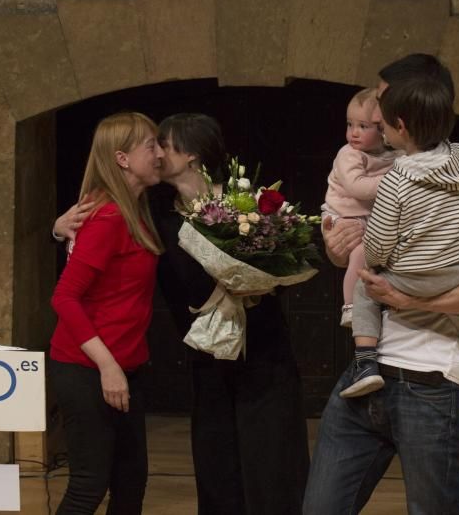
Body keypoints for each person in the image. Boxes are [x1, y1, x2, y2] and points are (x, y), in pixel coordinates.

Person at [55, 113, 310, 515]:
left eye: (164, 146)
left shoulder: (243, 204)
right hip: (206, 362)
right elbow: (93, 238)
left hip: (262, 355)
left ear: (190, 156)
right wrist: (60, 228)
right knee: (216, 468)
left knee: (270, 469)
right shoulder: (155, 210)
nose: (156, 154)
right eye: (151, 146)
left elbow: (282, 263)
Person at [303, 54, 459, 514]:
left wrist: (406, 296)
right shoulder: (389, 173)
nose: (374, 117)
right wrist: (338, 241)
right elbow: (360, 251)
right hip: (367, 377)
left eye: (381, 102)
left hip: (432, 387)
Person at [339, 76, 459, 438]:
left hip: (411, 278)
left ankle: (365, 364)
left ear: (400, 127)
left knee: (364, 290)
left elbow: (378, 242)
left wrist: (374, 264)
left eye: (383, 123)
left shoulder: (395, 181)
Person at [49, 112, 165, 514]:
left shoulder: (132, 212)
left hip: (125, 366)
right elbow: (64, 298)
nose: (160, 153)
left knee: (130, 484)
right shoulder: (109, 217)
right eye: (150, 145)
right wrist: (107, 366)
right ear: (122, 158)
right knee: (88, 486)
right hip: (87, 368)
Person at [321, 88, 398, 328]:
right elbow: (357, 188)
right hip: (342, 216)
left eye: (363, 126)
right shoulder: (349, 154)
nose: (353, 133)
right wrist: (396, 181)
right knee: (360, 253)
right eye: (349, 124)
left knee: (369, 256)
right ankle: (351, 306)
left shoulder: (394, 155)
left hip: (368, 219)